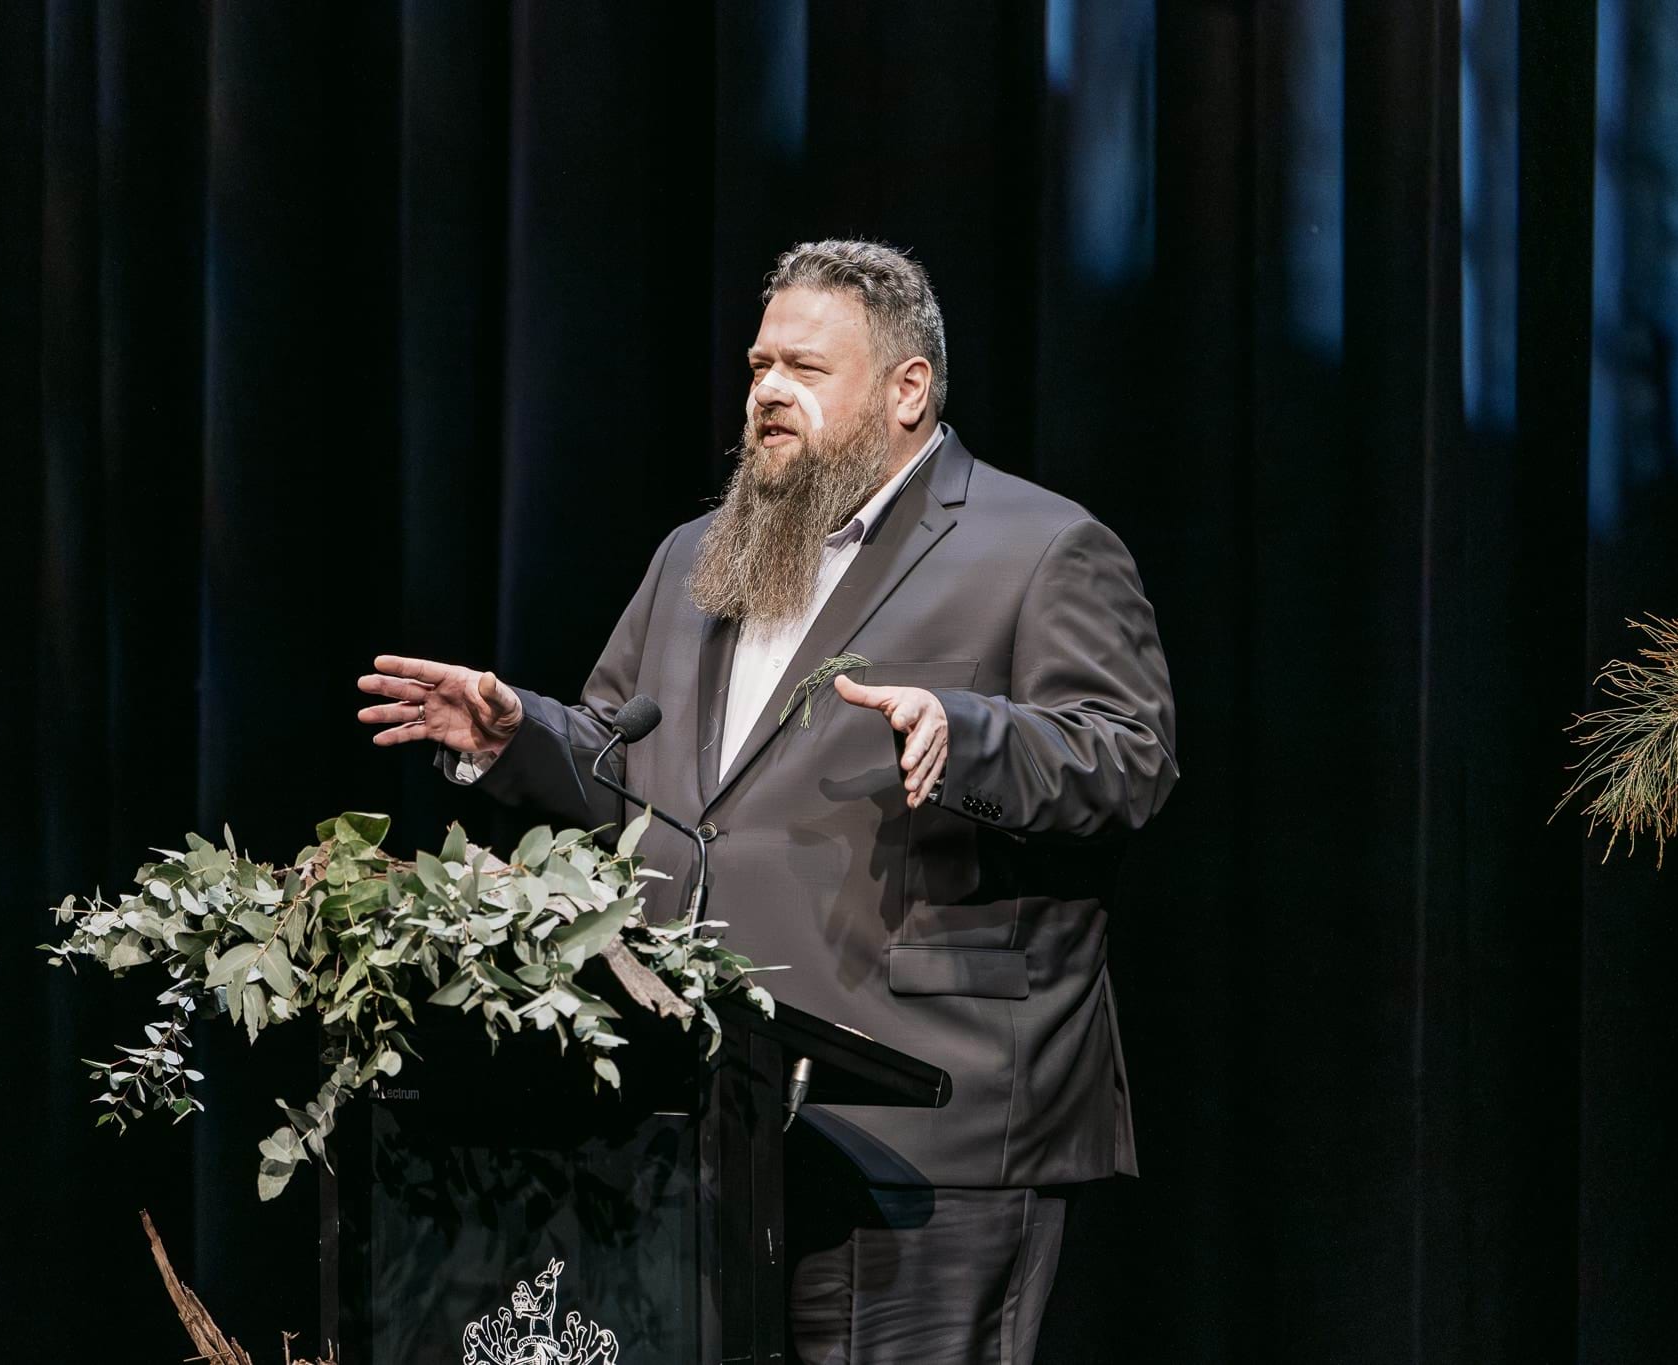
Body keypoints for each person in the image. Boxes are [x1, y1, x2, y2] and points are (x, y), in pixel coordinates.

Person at [357, 239, 1177, 1364]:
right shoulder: (698, 555)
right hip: (709, 1112)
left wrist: (969, 733)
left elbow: (1127, 760)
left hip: (929, 1122)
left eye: (803, 367)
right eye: (756, 366)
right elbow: (628, 767)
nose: (767, 394)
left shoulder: (1039, 548)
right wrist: (518, 739)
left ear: (906, 388)